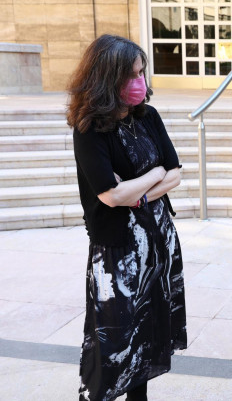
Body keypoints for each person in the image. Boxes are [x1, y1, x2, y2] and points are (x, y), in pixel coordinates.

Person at [67, 34, 187, 401]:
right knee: (114, 342)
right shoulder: (89, 129)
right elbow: (111, 195)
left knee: (147, 337)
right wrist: (154, 175)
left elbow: (177, 173)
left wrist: (142, 189)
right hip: (118, 254)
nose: (141, 82)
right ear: (108, 78)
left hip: (157, 242)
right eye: (132, 74)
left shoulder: (147, 116)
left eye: (141, 72)